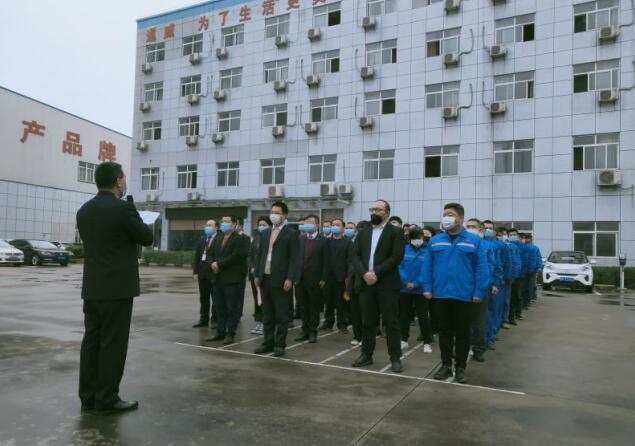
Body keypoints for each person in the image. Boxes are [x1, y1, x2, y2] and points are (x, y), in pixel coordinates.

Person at [77, 161, 153, 412]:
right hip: (118, 290)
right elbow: (147, 237)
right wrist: (133, 211)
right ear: (118, 181)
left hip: (92, 288)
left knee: (91, 342)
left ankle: (88, 396)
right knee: (113, 344)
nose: (125, 182)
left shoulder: (84, 210)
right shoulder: (123, 209)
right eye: (124, 179)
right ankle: (107, 399)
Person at [422, 203, 488, 384]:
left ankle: (460, 368)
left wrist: (479, 291)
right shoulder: (436, 241)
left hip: (464, 295)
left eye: (450, 214)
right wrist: (427, 287)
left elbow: (482, 268)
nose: (446, 218)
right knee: (444, 332)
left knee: (462, 333)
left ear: (460, 218)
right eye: (444, 214)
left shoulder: (474, 241)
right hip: (440, 294)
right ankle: (445, 366)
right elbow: (427, 266)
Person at [351, 200, 406, 373]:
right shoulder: (364, 232)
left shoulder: (396, 232)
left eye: (378, 209)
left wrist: (375, 273)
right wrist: (364, 274)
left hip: (387, 284)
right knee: (368, 322)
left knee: (391, 323)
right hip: (367, 284)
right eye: (372, 209)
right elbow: (355, 256)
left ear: (387, 213)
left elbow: (396, 257)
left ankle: (395, 358)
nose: (374, 212)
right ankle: (366, 355)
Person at [254, 201, 299, 357]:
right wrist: (257, 275)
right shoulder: (265, 233)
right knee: (267, 315)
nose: (273, 215)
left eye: (277, 213)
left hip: (281, 280)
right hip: (265, 278)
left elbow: (294, 258)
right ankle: (268, 342)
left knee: (281, 315)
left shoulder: (291, 234)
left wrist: (290, 278)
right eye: (272, 212)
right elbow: (260, 255)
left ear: (284, 215)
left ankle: (280, 344)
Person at [206, 216, 248, 345]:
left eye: (227, 222)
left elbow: (236, 256)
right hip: (218, 278)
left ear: (234, 224)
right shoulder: (218, 238)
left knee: (232, 308)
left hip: (232, 279)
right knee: (219, 307)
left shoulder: (239, 239)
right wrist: (212, 263)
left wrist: (219, 264)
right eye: (222, 221)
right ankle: (220, 332)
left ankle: (230, 333)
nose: (223, 223)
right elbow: (210, 253)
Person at [466, 218, 501, 363]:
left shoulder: (487, 246)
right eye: (468, 226)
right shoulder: (463, 243)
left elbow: (492, 266)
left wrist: (490, 283)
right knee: (463, 321)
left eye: (473, 226)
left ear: (481, 230)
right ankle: (462, 347)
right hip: (464, 288)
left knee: (480, 322)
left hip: (481, 287)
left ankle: (479, 349)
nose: (470, 229)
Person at [398, 227, 433, 353]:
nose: (417, 241)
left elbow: (428, 270)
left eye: (419, 238)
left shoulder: (428, 251)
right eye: (414, 238)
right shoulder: (404, 249)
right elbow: (399, 267)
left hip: (421, 289)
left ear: (423, 238)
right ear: (410, 239)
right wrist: (406, 281)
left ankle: (427, 342)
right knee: (404, 316)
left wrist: (416, 283)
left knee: (423, 317)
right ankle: (404, 339)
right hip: (405, 288)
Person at [294, 215, 328, 343]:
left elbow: (327, 261)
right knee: (302, 307)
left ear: (317, 225)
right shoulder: (300, 239)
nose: (307, 225)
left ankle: (313, 331)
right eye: (306, 222)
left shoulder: (323, 240)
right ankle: (305, 330)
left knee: (314, 307)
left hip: (315, 280)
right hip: (300, 279)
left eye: (310, 222)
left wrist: (324, 278)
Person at [325, 218, 353, 334]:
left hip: (341, 277)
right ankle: (328, 322)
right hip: (327, 277)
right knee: (328, 301)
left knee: (341, 302)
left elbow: (350, 260)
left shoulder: (348, 243)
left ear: (342, 228)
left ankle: (342, 323)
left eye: (337, 225)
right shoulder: (326, 241)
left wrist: (348, 275)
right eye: (333, 224)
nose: (334, 227)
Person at [484, 220, 508, 350]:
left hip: (492, 284)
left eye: (490, 228)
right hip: (479, 284)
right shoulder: (476, 243)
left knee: (492, 311)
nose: (487, 230)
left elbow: (500, 265)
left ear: (494, 231)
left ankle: (490, 337)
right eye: (485, 228)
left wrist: (497, 282)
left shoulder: (498, 246)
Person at [192, 220, 218, 328]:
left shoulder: (220, 239)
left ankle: (215, 320)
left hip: (214, 274)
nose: (207, 227)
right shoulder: (202, 239)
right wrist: (195, 272)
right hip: (202, 274)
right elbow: (197, 257)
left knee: (216, 299)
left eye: (210, 225)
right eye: (206, 225)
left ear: (216, 228)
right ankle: (203, 319)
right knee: (203, 299)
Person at [249, 217, 271, 335]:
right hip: (254, 274)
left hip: (265, 274)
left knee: (265, 299)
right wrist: (252, 266)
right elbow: (251, 255)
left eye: (264, 225)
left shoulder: (271, 238)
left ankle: (266, 323)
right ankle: (259, 321)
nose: (261, 227)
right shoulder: (256, 238)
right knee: (257, 298)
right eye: (260, 225)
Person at [345, 221, 364, 345]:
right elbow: (350, 262)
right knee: (355, 312)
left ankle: (366, 336)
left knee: (366, 312)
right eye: (359, 229)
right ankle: (357, 336)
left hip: (366, 282)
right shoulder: (352, 244)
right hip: (353, 283)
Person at [507, 228, 525, 324]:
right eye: (510, 235)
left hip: (520, 275)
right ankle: (510, 317)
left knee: (517, 296)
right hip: (510, 276)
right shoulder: (507, 246)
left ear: (517, 236)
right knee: (510, 297)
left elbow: (523, 261)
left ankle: (518, 313)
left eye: (514, 235)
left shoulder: (522, 246)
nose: (512, 237)